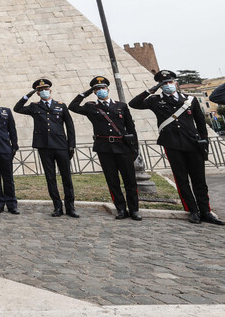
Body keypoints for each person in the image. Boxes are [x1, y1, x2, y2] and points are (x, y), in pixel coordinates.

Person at [129, 70, 223, 225]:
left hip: (193, 143)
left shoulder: (190, 99)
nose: (168, 86)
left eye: (170, 82)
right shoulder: (155, 100)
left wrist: (204, 140)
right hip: (172, 144)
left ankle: (206, 211)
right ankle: (192, 210)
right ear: (160, 86)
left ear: (176, 83)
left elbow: (200, 122)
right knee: (182, 180)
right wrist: (150, 90)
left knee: (199, 180)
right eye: (164, 84)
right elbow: (134, 104)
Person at [69, 76, 141, 221]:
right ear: (94, 92)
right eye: (97, 89)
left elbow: (131, 128)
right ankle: (121, 208)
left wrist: (135, 147)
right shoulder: (91, 106)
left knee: (130, 180)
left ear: (108, 89)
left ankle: (134, 210)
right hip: (105, 148)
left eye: (103, 88)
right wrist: (86, 93)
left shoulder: (121, 106)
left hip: (123, 147)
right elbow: (73, 106)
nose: (101, 91)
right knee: (112, 180)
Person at [14, 78, 77, 218]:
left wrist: (71, 145)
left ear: (50, 90)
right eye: (40, 90)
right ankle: (57, 207)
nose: (44, 92)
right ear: (37, 93)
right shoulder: (34, 106)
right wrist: (27, 95)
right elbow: (17, 108)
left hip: (61, 145)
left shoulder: (61, 105)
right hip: (44, 146)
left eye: (46, 89)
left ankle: (70, 207)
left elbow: (70, 126)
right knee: (50, 178)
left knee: (66, 177)